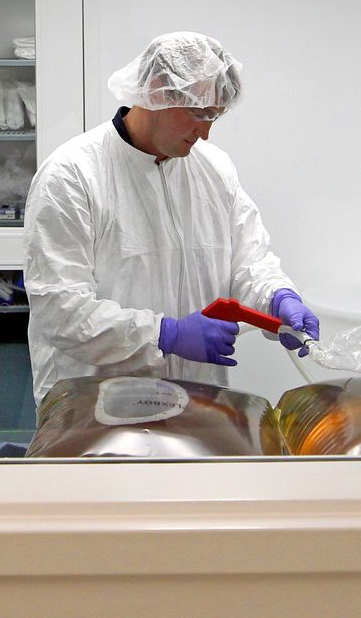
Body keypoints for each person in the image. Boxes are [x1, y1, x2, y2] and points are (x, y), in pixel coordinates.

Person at [22, 31, 319, 403]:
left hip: (195, 396)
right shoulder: (73, 175)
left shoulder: (214, 169)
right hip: (96, 404)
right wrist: (165, 335)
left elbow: (249, 261)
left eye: (215, 116)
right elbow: (60, 308)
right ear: (158, 91)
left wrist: (276, 297)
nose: (206, 133)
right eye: (198, 113)